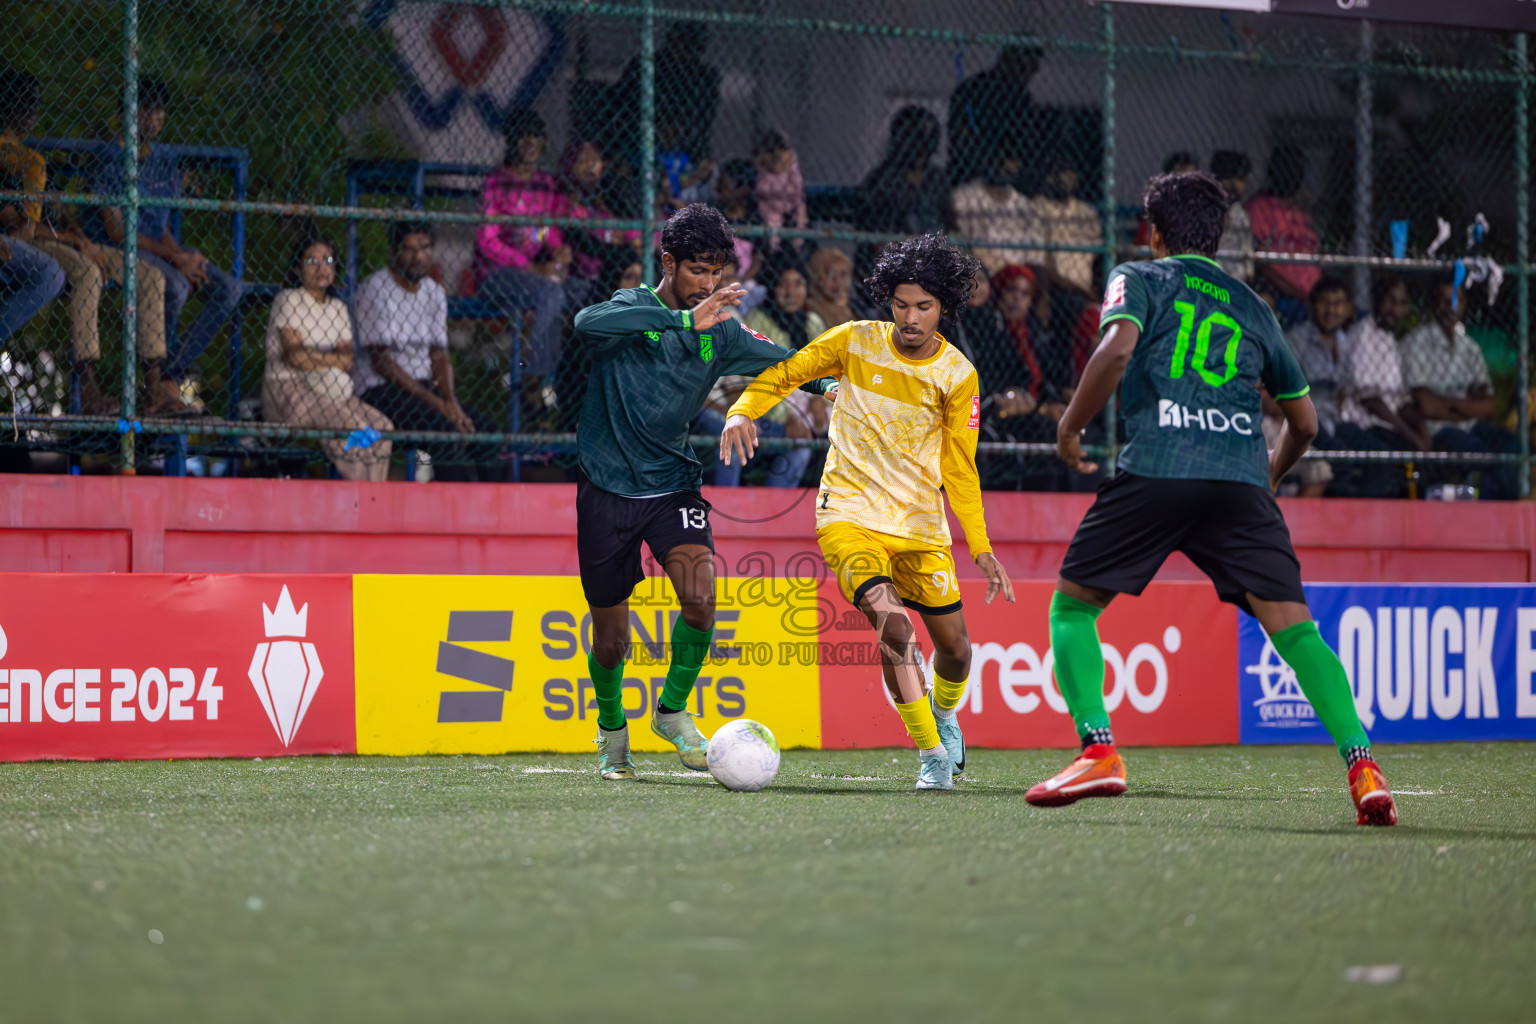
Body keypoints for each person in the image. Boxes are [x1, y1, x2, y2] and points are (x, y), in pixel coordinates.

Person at [1033, 171, 1396, 826]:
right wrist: (1271, 474)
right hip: (1239, 480)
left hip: (1159, 467)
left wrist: (1070, 425)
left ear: (1154, 232)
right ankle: (1363, 765)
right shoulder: (1255, 305)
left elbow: (1115, 353)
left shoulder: (1143, 278)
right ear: (1223, 236)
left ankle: (1099, 752)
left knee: (1072, 609)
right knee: (1297, 631)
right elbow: (1305, 422)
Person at [720, 233, 1017, 791]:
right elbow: (787, 372)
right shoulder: (854, 340)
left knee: (956, 649)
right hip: (848, 514)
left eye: (923, 306)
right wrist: (743, 411)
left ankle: (945, 717)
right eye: (901, 304)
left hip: (920, 528)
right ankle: (931, 758)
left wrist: (981, 546)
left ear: (944, 308)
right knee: (896, 629)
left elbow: (961, 468)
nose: (910, 317)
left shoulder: (958, 376)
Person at [569, 203, 837, 781]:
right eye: (697, 270)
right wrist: (685, 323)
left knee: (701, 595)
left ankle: (670, 713)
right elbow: (584, 325)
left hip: (672, 485)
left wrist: (836, 385)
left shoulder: (724, 331)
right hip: (606, 490)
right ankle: (612, 724)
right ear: (668, 262)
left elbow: (791, 362)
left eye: (717, 272)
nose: (708, 285)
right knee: (611, 640)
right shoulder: (633, 308)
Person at [1, 69, 160, 415]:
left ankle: (156, 386)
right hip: (48, 243)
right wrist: (74, 238)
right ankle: (87, 387)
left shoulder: (34, 161)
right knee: (86, 272)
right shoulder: (26, 161)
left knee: (152, 277)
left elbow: (49, 216)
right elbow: (26, 231)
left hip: (67, 238)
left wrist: (78, 236)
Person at [90, 76, 241, 413]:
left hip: (159, 248)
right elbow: (117, 232)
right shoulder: (110, 158)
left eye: (159, 111)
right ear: (124, 114)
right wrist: (175, 259)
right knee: (175, 286)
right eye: (145, 111)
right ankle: (158, 388)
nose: (153, 119)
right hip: (123, 249)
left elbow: (162, 227)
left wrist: (182, 255)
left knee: (230, 289)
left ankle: (171, 374)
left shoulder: (166, 158)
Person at [355, 222, 494, 483]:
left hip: (424, 390)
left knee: (486, 430)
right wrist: (440, 405)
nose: (419, 257)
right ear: (393, 252)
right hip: (380, 390)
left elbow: (439, 355)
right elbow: (382, 364)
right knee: (445, 429)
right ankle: (456, 514)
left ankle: (498, 516)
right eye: (409, 249)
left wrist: (451, 402)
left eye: (425, 248)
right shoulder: (375, 289)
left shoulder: (433, 292)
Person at [262, 239, 393, 482]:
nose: (321, 267)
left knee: (382, 430)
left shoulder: (337, 308)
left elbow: (348, 361)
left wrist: (314, 356)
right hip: (290, 388)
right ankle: (365, 502)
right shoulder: (289, 300)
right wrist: (331, 359)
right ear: (298, 267)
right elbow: (296, 358)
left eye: (328, 261)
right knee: (351, 429)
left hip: (330, 389)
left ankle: (372, 500)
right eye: (312, 261)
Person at [475, 108, 568, 420]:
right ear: (512, 141)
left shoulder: (545, 183)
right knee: (551, 296)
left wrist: (559, 252)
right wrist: (528, 268)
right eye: (523, 135)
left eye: (536, 136)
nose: (530, 142)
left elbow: (549, 229)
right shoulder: (496, 182)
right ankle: (534, 380)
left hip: (533, 276)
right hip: (497, 274)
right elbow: (487, 242)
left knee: (568, 297)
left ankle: (550, 389)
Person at [1400, 274, 1519, 500]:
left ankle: (1504, 509)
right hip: (1437, 428)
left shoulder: (1469, 347)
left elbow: (1490, 406)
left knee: (1512, 445)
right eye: (1444, 300)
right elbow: (1426, 406)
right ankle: (1487, 513)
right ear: (1433, 303)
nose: (1451, 306)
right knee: (1479, 454)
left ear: (1465, 304)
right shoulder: (1417, 342)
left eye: (1457, 299)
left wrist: (1449, 404)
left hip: (1470, 424)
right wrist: (1467, 405)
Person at [742, 252, 827, 488]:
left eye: (798, 284)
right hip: (770, 411)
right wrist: (788, 415)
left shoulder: (811, 322)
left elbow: (824, 368)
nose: (790, 292)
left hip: (808, 406)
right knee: (800, 449)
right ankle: (775, 514)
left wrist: (819, 400)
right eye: (783, 285)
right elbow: (759, 374)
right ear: (772, 287)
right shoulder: (759, 320)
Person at [0, 71, 65, 361]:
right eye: (27, 109)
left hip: (13, 241)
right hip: (16, 242)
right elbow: (25, 227)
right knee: (50, 272)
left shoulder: (25, 159)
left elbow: (17, 220)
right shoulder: (30, 161)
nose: (32, 117)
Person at [854, 107, 954, 283]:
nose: (919, 153)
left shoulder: (937, 179)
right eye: (913, 144)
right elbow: (872, 234)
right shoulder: (880, 181)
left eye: (924, 145)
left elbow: (949, 224)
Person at [947, 39, 1043, 188]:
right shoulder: (974, 88)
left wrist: (1014, 160)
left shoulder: (1022, 97)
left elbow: (1029, 137)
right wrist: (992, 160)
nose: (1028, 74)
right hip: (973, 168)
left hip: (1010, 169)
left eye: (1031, 68)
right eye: (1023, 66)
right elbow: (960, 133)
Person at [558, 140, 641, 310]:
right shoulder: (567, 200)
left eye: (594, 161)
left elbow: (634, 234)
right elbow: (578, 240)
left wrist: (631, 245)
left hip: (614, 271)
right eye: (582, 161)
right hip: (582, 277)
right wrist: (616, 251)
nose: (590, 166)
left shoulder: (610, 195)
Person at [1247, 143, 1320, 318]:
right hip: (1281, 295)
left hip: (1314, 296)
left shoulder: (1303, 213)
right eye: (1286, 168)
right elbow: (1261, 264)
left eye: (1297, 169)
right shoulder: (1259, 208)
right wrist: (1299, 293)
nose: (1292, 175)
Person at [951, 151, 1038, 276]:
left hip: (1018, 280)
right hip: (979, 275)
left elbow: (1035, 256)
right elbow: (962, 242)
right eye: (1000, 158)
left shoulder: (1025, 205)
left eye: (1011, 159)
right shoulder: (963, 197)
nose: (1005, 164)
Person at [752, 129, 806, 250]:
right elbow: (762, 191)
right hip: (770, 208)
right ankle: (774, 245)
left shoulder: (793, 172)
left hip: (791, 206)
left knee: (801, 211)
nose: (777, 156)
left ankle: (798, 240)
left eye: (782, 151)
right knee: (771, 217)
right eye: (771, 152)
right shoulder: (763, 175)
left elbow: (797, 190)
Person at [1210, 150, 1254, 282]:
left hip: (1236, 279)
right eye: (1239, 179)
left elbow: (1247, 249)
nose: (1243, 186)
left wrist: (1248, 273)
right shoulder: (1204, 208)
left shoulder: (1240, 214)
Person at [805, 246, 855, 329]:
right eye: (830, 275)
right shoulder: (810, 309)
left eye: (843, 274)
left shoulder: (849, 308)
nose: (839, 283)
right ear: (817, 279)